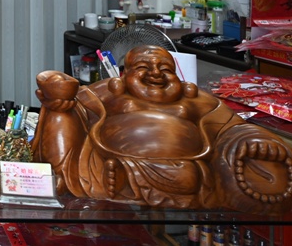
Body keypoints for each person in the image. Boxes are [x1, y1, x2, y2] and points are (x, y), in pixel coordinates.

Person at [33, 45, 292, 212]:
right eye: (143, 68)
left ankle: (124, 178)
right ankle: (84, 178)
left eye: (165, 69)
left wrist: (252, 137)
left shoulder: (193, 99)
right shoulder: (111, 93)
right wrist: (58, 92)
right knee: (60, 112)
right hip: (101, 161)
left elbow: (230, 126)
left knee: (187, 177)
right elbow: (77, 102)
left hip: (179, 167)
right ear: (123, 77)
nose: (156, 74)